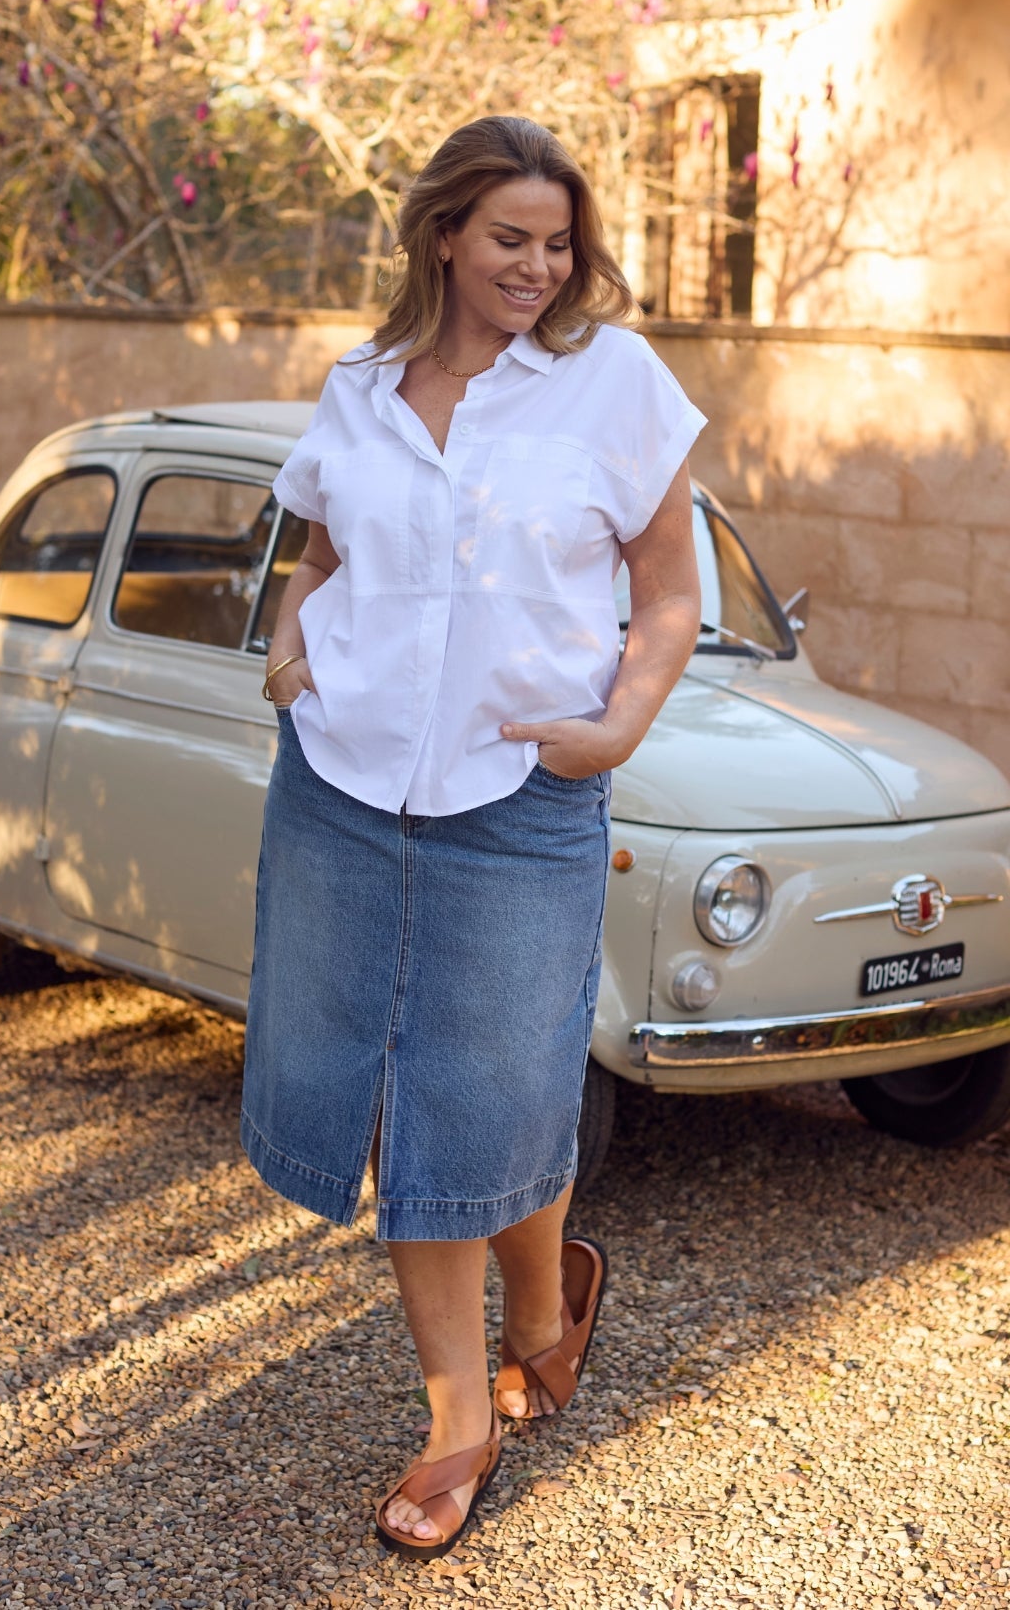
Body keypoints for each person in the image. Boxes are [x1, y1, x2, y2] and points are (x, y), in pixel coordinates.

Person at [241, 115, 705, 1561]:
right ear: (443, 235)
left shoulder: (613, 382)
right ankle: (461, 1418)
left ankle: (547, 1306)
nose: (538, 266)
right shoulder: (362, 385)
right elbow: (320, 555)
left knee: (502, 1094)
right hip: (342, 792)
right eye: (510, 237)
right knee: (404, 1106)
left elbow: (669, 592)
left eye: (559, 243)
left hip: (521, 801)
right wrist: (289, 651)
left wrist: (614, 730)